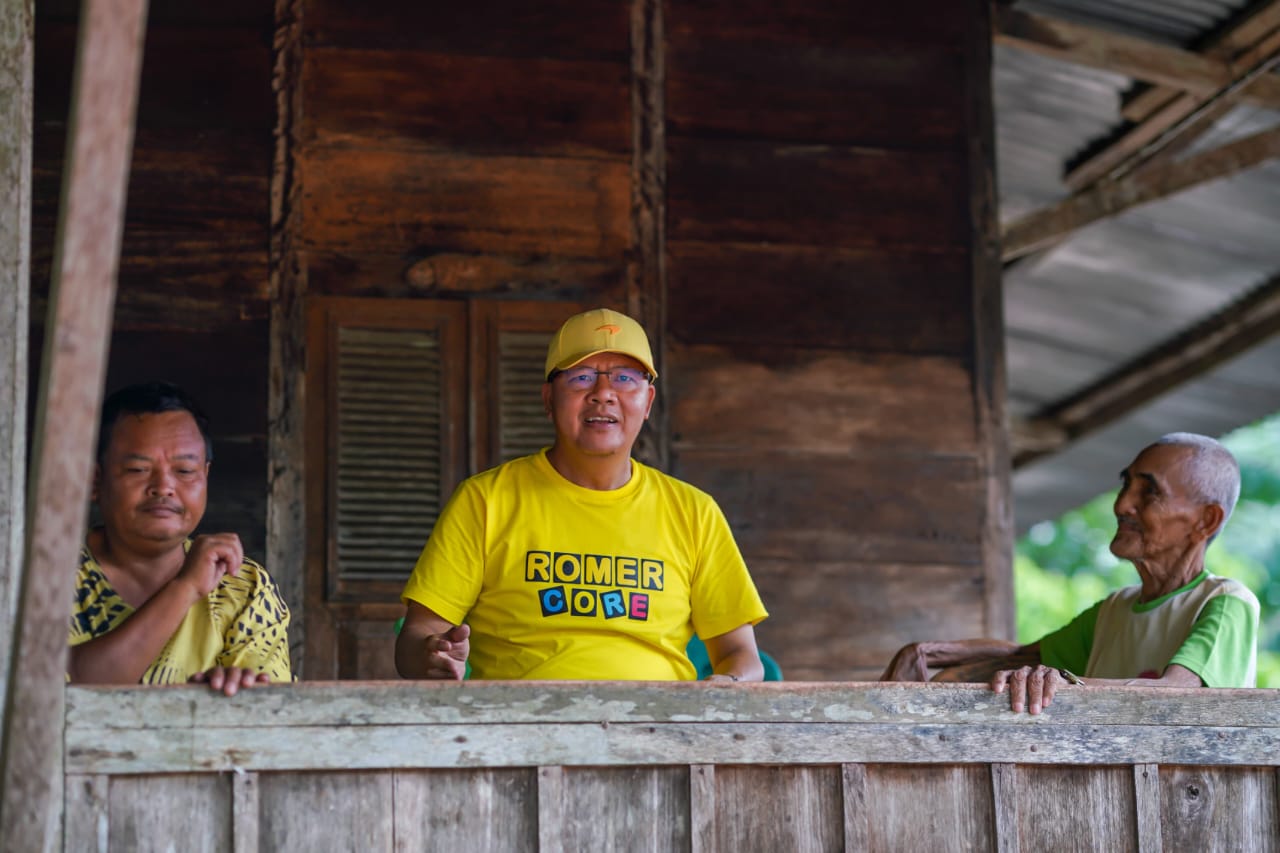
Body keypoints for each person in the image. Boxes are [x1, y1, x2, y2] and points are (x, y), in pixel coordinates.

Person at [396, 308, 769, 681]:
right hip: (521, 730)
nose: (603, 394)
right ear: (548, 397)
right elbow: (418, 634)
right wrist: (432, 654)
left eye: (625, 378)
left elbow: (741, 655)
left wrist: (726, 686)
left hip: (657, 730)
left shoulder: (694, 512)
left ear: (649, 401)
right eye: (581, 377)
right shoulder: (485, 500)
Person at [881, 433, 1259, 714]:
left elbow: (1175, 692)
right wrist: (925, 653)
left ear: (1205, 520)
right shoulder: (1116, 608)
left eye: (1149, 493)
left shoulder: (1225, 602)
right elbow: (1020, 657)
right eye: (1126, 485)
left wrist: (1064, 682)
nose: (1122, 504)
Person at [67, 381, 292, 696]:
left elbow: (272, 711)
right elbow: (69, 689)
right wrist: (185, 588)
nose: (164, 487)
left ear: (205, 477)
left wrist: (230, 692)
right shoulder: (47, 579)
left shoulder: (243, 586)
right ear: (94, 481)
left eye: (185, 471)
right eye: (137, 469)